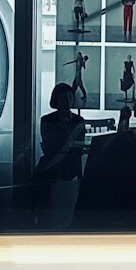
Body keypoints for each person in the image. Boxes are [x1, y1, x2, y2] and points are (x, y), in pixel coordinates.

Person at [36, 82, 86, 223]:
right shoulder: (47, 120)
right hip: (52, 163)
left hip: (70, 164)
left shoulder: (79, 121)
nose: (67, 101)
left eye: (70, 97)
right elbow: (49, 145)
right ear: (56, 99)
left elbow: (78, 147)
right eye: (63, 98)